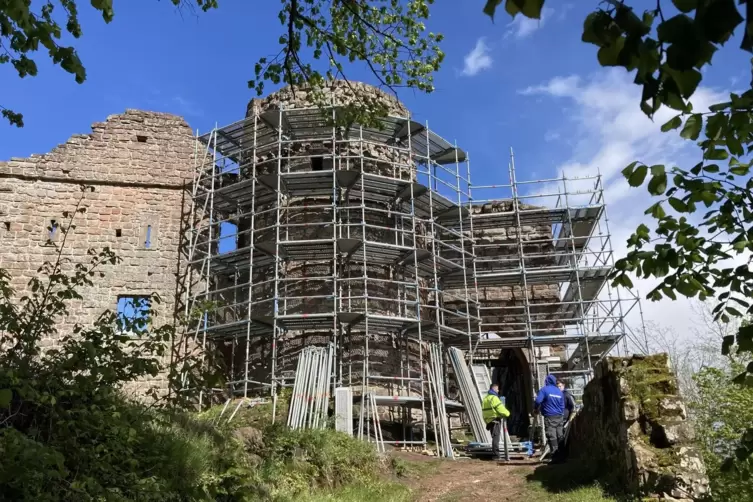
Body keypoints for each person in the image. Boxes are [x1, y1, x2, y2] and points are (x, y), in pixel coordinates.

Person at [534, 374, 565, 463]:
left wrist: (536, 408)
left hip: (550, 416)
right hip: (559, 416)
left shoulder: (544, 390)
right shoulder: (559, 391)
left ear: (546, 381)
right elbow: (562, 405)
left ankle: (555, 457)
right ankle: (562, 455)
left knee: (552, 436)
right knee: (560, 435)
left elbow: (538, 401)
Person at [481, 383, 511, 460]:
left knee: (494, 437)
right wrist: (507, 413)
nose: (498, 391)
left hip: (489, 420)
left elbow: (484, 411)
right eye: (497, 389)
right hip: (495, 420)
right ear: (494, 389)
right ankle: (496, 455)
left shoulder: (485, 398)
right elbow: (500, 408)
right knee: (496, 437)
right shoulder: (494, 398)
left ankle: (495, 454)